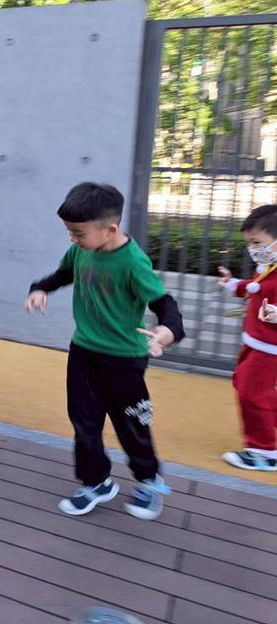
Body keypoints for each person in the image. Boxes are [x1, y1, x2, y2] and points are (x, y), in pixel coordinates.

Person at [25, 182, 185, 520]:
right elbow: (63, 273)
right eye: (69, 232)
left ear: (110, 229)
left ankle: (149, 479)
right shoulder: (81, 250)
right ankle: (96, 481)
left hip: (124, 360)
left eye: (78, 233)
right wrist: (40, 288)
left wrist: (167, 331)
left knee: (131, 424)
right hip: (83, 351)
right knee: (84, 421)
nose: (73, 239)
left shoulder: (133, 262)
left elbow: (164, 303)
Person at [216, 205, 277, 472]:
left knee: (252, 393)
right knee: (245, 383)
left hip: (269, 347)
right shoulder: (269, 265)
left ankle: (264, 452)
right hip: (256, 340)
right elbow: (256, 288)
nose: (252, 249)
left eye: (257, 242)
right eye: (249, 243)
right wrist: (233, 284)